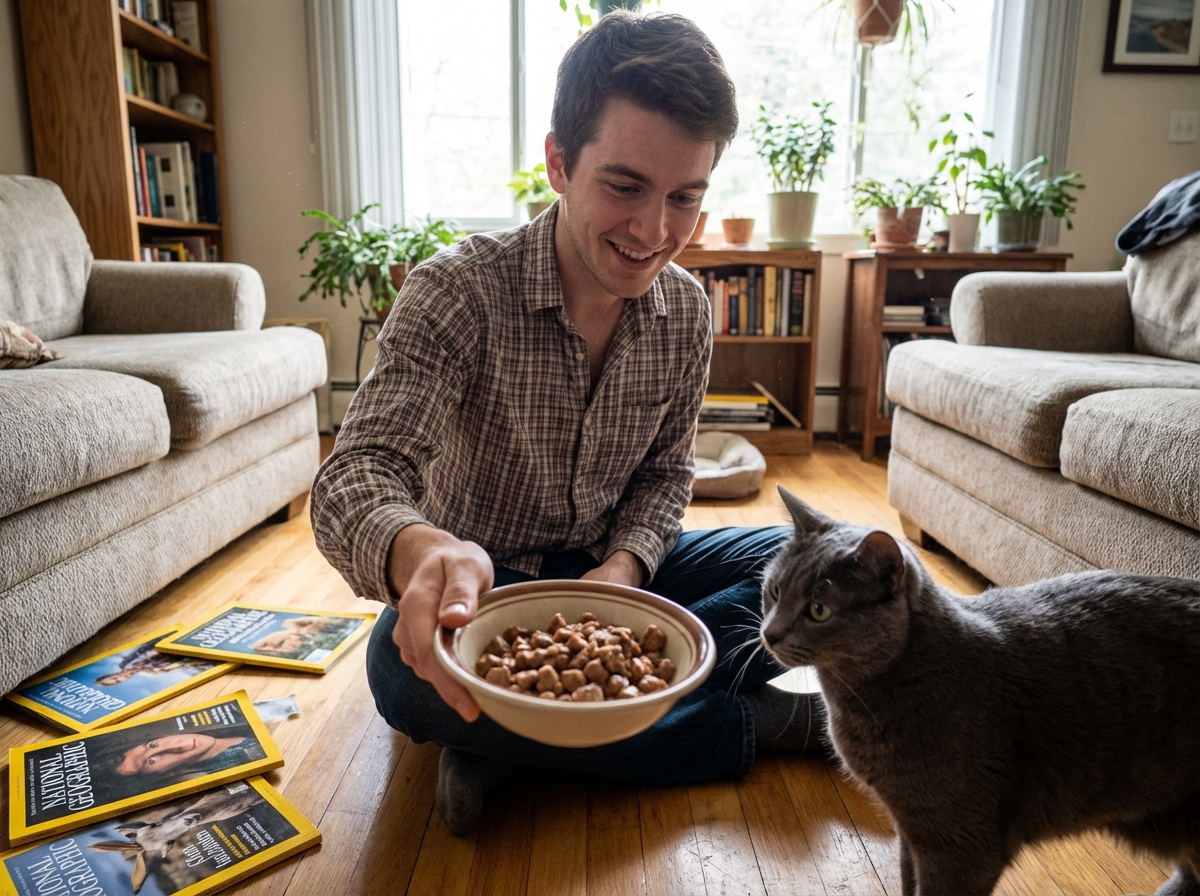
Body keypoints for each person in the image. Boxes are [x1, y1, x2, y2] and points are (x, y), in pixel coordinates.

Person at [311, 10, 825, 836]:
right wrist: (424, 550)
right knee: (395, 673)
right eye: (625, 187)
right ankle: (750, 723)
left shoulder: (688, 312)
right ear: (558, 161)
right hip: (485, 590)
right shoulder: (457, 291)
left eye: (684, 197)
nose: (654, 233)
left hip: (615, 577)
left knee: (806, 556)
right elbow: (358, 470)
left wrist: (622, 574)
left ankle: (511, 739)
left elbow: (665, 477)